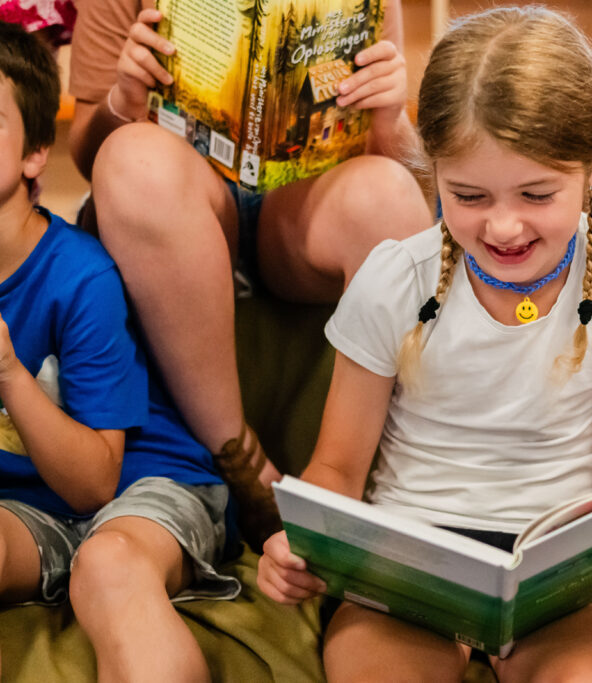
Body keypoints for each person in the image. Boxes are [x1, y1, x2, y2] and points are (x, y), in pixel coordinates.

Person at [256, 7, 592, 680]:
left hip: (560, 574)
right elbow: (336, 470)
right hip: (408, 568)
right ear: (434, 171)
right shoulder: (396, 279)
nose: (504, 225)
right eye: (469, 195)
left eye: (537, 193)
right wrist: (302, 541)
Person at [66, 0, 433, 549]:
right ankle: (241, 460)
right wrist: (123, 100)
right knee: (134, 162)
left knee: (390, 198)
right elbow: (88, 155)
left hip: (303, 201)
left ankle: (353, 480)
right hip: (174, 190)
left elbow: (410, 180)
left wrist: (389, 116)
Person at [0, 22, 239, 680]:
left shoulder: (81, 276)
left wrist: (9, 374)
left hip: (143, 483)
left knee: (109, 566)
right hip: (28, 508)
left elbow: (94, 482)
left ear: (34, 153)